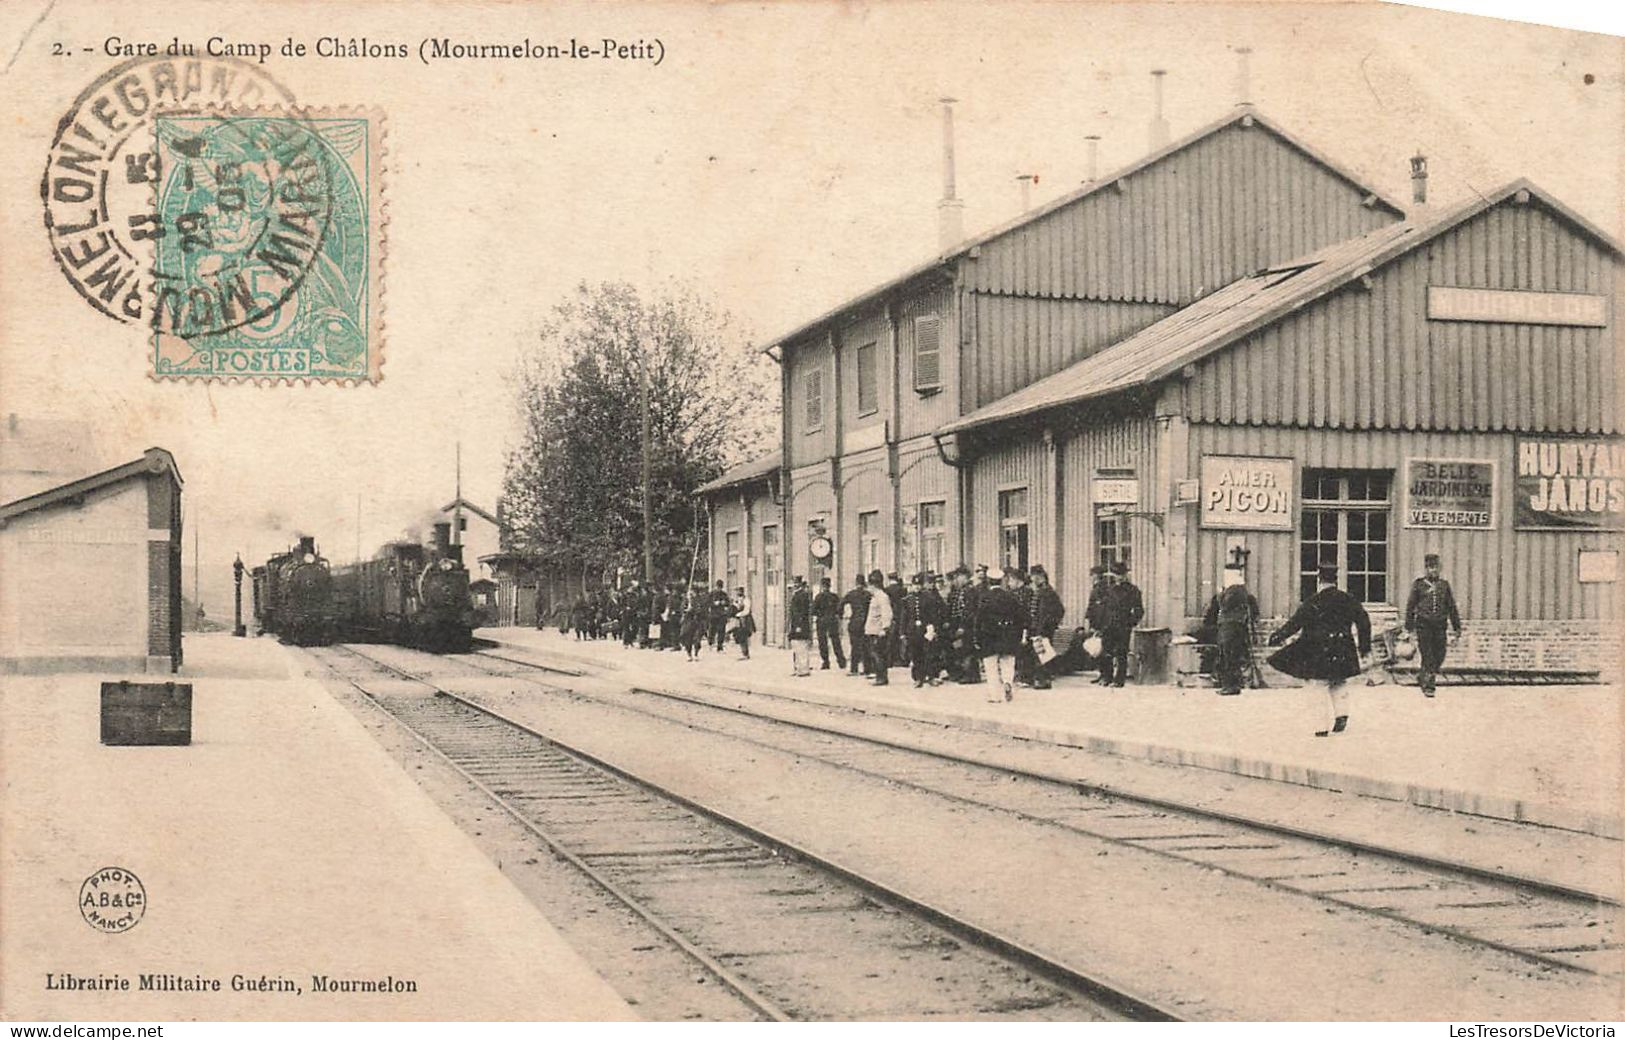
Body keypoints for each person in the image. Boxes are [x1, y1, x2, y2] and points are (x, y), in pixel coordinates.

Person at [1268, 564, 1373, 736]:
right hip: (1343, 647)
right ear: (1335, 580)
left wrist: (1276, 637)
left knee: (1318, 686)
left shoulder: (1313, 601)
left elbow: (1295, 623)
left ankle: (1321, 726)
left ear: (1319, 580)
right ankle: (1342, 714)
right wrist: (1364, 648)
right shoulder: (1348, 599)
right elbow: (1364, 622)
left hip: (1319, 650)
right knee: (1338, 680)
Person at [1405, 552, 1462, 697]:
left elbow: (1451, 607)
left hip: (1440, 625)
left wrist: (1457, 627)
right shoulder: (1419, 585)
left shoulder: (1444, 585)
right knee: (1427, 654)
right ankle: (1429, 686)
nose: (1433, 571)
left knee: (1440, 654)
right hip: (1423, 625)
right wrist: (1408, 628)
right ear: (1425, 569)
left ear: (1439, 569)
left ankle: (1423, 675)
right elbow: (1411, 606)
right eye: (1430, 568)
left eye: (1435, 568)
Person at [1204, 563, 1260, 696]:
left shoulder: (1235, 590)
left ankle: (1231, 686)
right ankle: (1229, 685)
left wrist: (1219, 594)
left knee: (1229, 655)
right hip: (1230, 626)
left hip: (1232, 626)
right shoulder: (1237, 590)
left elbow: (1225, 605)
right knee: (1228, 655)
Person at [976, 567, 1026, 703]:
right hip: (1008, 636)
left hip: (989, 637)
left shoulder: (985, 598)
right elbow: (1020, 618)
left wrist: (977, 638)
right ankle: (1008, 682)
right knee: (1007, 663)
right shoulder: (1011, 597)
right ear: (1001, 580)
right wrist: (1018, 636)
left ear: (989, 581)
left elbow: (979, 619)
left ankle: (995, 695)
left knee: (991, 667)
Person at [1098, 561, 1143, 687]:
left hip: (1123, 626)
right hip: (1108, 625)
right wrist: (1101, 625)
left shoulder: (1133, 590)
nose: (1119, 577)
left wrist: (1130, 623)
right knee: (1106, 652)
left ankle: (1119, 680)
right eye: (1116, 574)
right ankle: (1107, 677)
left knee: (1121, 653)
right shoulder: (1109, 590)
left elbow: (1139, 610)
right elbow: (1103, 608)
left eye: (1121, 574)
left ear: (1126, 575)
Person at [1023, 565, 1065, 690]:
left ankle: (1043, 680)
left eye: (1036, 576)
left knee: (1043, 654)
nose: (1033, 579)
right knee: (1037, 654)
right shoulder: (1039, 591)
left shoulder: (1048, 592)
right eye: (1032, 576)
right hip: (1036, 628)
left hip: (1043, 629)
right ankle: (1039, 678)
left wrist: (1050, 625)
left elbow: (1059, 611)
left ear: (1042, 577)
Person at [901, 572, 945, 688]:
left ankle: (930, 676)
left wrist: (933, 629)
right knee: (915, 655)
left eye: (919, 585)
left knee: (928, 653)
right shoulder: (907, 599)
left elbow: (933, 615)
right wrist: (902, 633)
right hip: (912, 630)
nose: (917, 587)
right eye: (915, 585)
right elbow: (904, 617)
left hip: (925, 630)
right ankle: (918, 678)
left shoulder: (928, 598)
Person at [863, 569, 894, 685]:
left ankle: (881, 677)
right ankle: (879, 676)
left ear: (873, 585)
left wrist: (884, 628)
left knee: (878, 654)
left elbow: (887, 613)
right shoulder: (875, 596)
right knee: (874, 654)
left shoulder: (882, 597)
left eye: (869, 586)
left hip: (878, 631)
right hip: (872, 630)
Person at [812, 576, 846, 670]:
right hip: (832, 621)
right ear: (829, 586)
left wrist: (820, 614)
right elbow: (840, 609)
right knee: (836, 641)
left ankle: (826, 662)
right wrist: (838, 615)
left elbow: (813, 611)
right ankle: (841, 661)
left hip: (822, 621)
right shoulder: (834, 597)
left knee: (823, 642)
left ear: (822, 586)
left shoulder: (818, 597)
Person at [1083, 564, 1110, 684]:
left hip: (1101, 623)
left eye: (1093, 575)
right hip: (1096, 622)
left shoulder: (1103, 589)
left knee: (1103, 649)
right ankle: (1102, 674)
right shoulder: (1096, 588)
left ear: (1098, 576)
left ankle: (1106, 676)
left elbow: (1100, 608)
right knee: (1098, 650)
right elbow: (1092, 606)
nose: (1091, 577)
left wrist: (1097, 625)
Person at [841, 574, 871, 677]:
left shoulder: (851, 594)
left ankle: (854, 669)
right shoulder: (868, 595)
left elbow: (841, 604)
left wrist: (841, 615)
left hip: (854, 623)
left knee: (854, 646)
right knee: (865, 646)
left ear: (856, 583)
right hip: (866, 623)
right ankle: (867, 669)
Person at [787, 575, 814, 677]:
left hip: (800, 625)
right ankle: (798, 667)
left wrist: (799, 625)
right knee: (797, 647)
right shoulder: (797, 594)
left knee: (801, 647)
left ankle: (803, 669)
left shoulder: (802, 595)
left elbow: (802, 612)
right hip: (796, 624)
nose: (794, 586)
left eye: (795, 584)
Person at [680, 586, 707, 661]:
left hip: (697, 621)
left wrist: (693, 610)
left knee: (697, 638)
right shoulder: (686, 600)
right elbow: (682, 609)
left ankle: (696, 654)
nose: (691, 594)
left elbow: (702, 610)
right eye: (690, 592)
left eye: (693, 592)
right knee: (687, 638)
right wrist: (686, 609)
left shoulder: (699, 600)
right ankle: (689, 654)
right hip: (688, 621)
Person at [731, 586, 755, 659]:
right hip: (739, 621)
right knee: (740, 636)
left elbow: (746, 611)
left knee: (744, 636)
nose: (738, 593)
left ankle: (745, 653)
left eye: (739, 592)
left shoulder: (746, 600)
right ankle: (743, 652)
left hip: (745, 620)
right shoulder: (738, 600)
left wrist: (739, 614)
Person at [708, 580, 732, 652]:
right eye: (718, 587)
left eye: (720, 587)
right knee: (712, 630)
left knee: (721, 630)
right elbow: (707, 603)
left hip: (722, 615)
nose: (719, 589)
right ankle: (711, 643)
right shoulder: (711, 594)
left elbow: (728, 603)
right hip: (713, 614)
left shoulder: (724, 594)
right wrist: (714, 603)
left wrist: (724, 603)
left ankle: (720, 646)